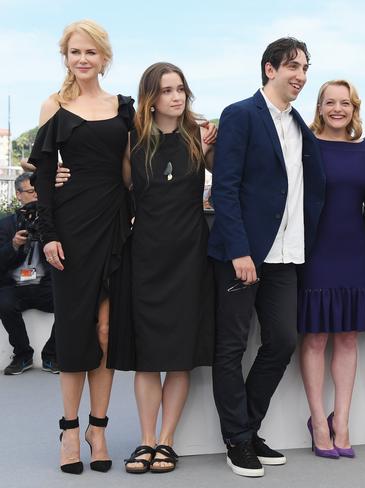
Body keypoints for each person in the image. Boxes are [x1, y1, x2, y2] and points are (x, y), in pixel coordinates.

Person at [54, 62, 216, 474]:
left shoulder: (202, 136)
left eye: (181, 88)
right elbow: (109, 184)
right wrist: (55, 175)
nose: (176, 97)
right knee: (148, 356)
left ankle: (166, 442)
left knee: (179, 355)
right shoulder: (133, 140)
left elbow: (235, 178)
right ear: (151, 97)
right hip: (143, 255)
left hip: (190, 254)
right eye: (166, 90)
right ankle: (145, 442)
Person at [209, 37, 326, 477]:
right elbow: (225, 186)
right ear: (269, 69)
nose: (299, 75)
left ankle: (247, 428)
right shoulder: (240, 114)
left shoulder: (300, 124)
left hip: (287, 256)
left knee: (281, 341)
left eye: (305, 68)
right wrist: (239, 249)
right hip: (243, 255)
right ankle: (237, 440)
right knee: (232, 347)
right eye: (292, 66)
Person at [28, 19, 135, 475]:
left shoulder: (124, 107)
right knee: (75, 330)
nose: (83, 59)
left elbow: (131, 172)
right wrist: (48, 234)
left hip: (114, 224)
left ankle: (98, 428)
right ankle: (69, 429)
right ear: (66, 58)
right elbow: (42, 179)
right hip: (70, 229)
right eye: (75, 52)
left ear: (104, 58)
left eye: (90, 52)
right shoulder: (54, 105)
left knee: (107, 332)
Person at [299, 80, 365, 459]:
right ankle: (317, 421)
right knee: (315, 337)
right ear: (319, 107)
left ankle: (341, 421)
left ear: (354, 108)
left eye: (344, 103)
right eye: (329, 102)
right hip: (316, 250)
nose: (337, 109)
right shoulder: (306, 145)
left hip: (354, 249)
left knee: (347, 337)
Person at [0, 172, 57, 375]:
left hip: (45, 287)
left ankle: (52, 355)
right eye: (31, 191)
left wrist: (47, 236)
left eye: (39, 191)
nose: (36, 196)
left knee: (73, 301)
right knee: (3, 302)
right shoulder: (5, 225)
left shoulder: (52, 223)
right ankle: (23, 355)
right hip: (15, 288)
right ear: (18, 194)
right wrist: (14, 245)